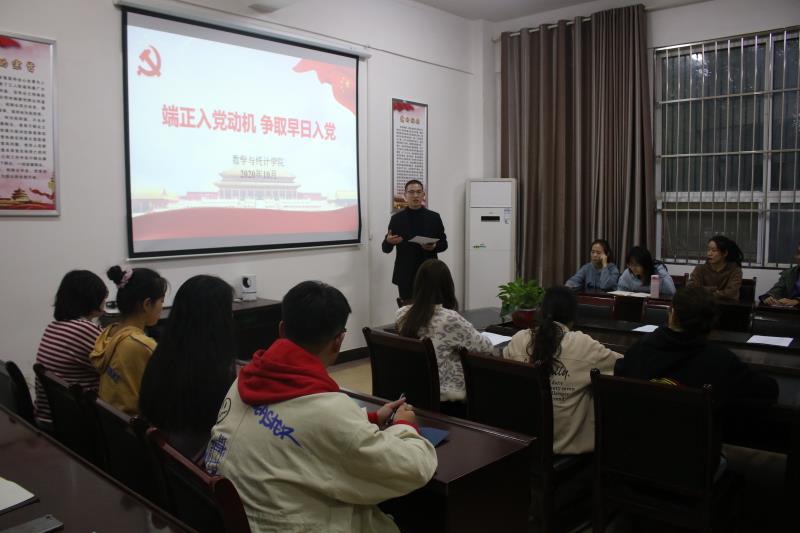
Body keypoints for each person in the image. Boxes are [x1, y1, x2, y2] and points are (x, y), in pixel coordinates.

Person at [205, 281, 437, 533]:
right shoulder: (328, 410)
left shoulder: (243, 380)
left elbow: (303, 425)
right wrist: (404, 425)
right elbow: (412, 469)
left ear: (281, 329)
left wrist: (370, 419)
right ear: (339, 341)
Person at [615, 286, 777, 414]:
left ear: (672, 314)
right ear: (711, 321)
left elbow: (620, 376)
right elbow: (768, 391)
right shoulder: (721, 361)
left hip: (639, 441)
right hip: (695, 445)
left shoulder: (639, 350)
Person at [503, 287, 622, 454]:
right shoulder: (583, 344)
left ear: (541, 311)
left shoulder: (519, 340)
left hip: (525, 443)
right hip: (566, 448)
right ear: (573, 316)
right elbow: (624, 365)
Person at [139, 275, 236, 458]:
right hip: (193, 463)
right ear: (215, 320)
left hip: (163, 457)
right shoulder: (214, 373)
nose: (231, 317)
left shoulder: (161, 356)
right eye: (228, 311)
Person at [396, 259, 493, 413]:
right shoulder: (450, 319)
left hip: (414, 391)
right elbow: (486, 347)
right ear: (447, 286)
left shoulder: (402, 314)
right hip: (446, 399)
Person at [33, 270, 108, 429]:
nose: (105, 302)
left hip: (48, 417)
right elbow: (115, 365)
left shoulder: (54, 327)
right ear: (91, 299)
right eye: (103, 297)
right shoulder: (84, 329)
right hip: (72, 425)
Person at [90, 266, 167, 415]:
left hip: (111, 420)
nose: (162, 308)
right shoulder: (142, 346)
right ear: (147, 304)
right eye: (161, 301)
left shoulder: (108, 333)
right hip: (136, 424)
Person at [382, 180, 448, 299]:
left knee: (430, 309)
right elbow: (385, 249)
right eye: (411, 192)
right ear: (405, 195)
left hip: (429, 272)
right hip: (405, 274)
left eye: (418, 192)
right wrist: (388, 241)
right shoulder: (397, 219)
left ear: (423, 195)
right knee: (408, 309)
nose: (415, 195)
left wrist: (434, 247)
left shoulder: (434, 217)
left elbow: (444, 244)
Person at [687, 235, 744, 301]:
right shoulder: (700, 268)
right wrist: (713, 289)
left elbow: (731, 293)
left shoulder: (735, 270)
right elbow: (690, 287)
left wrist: (703, 291)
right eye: (708, 250)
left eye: (714, 250)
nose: (709, 254)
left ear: (725, 253)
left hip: (727, 305)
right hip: (704, 305)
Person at [760, 242, 800, 307]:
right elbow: (777, 290)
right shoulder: (789, 273)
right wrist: (768, 297)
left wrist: (797, 301)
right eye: (798, 253)